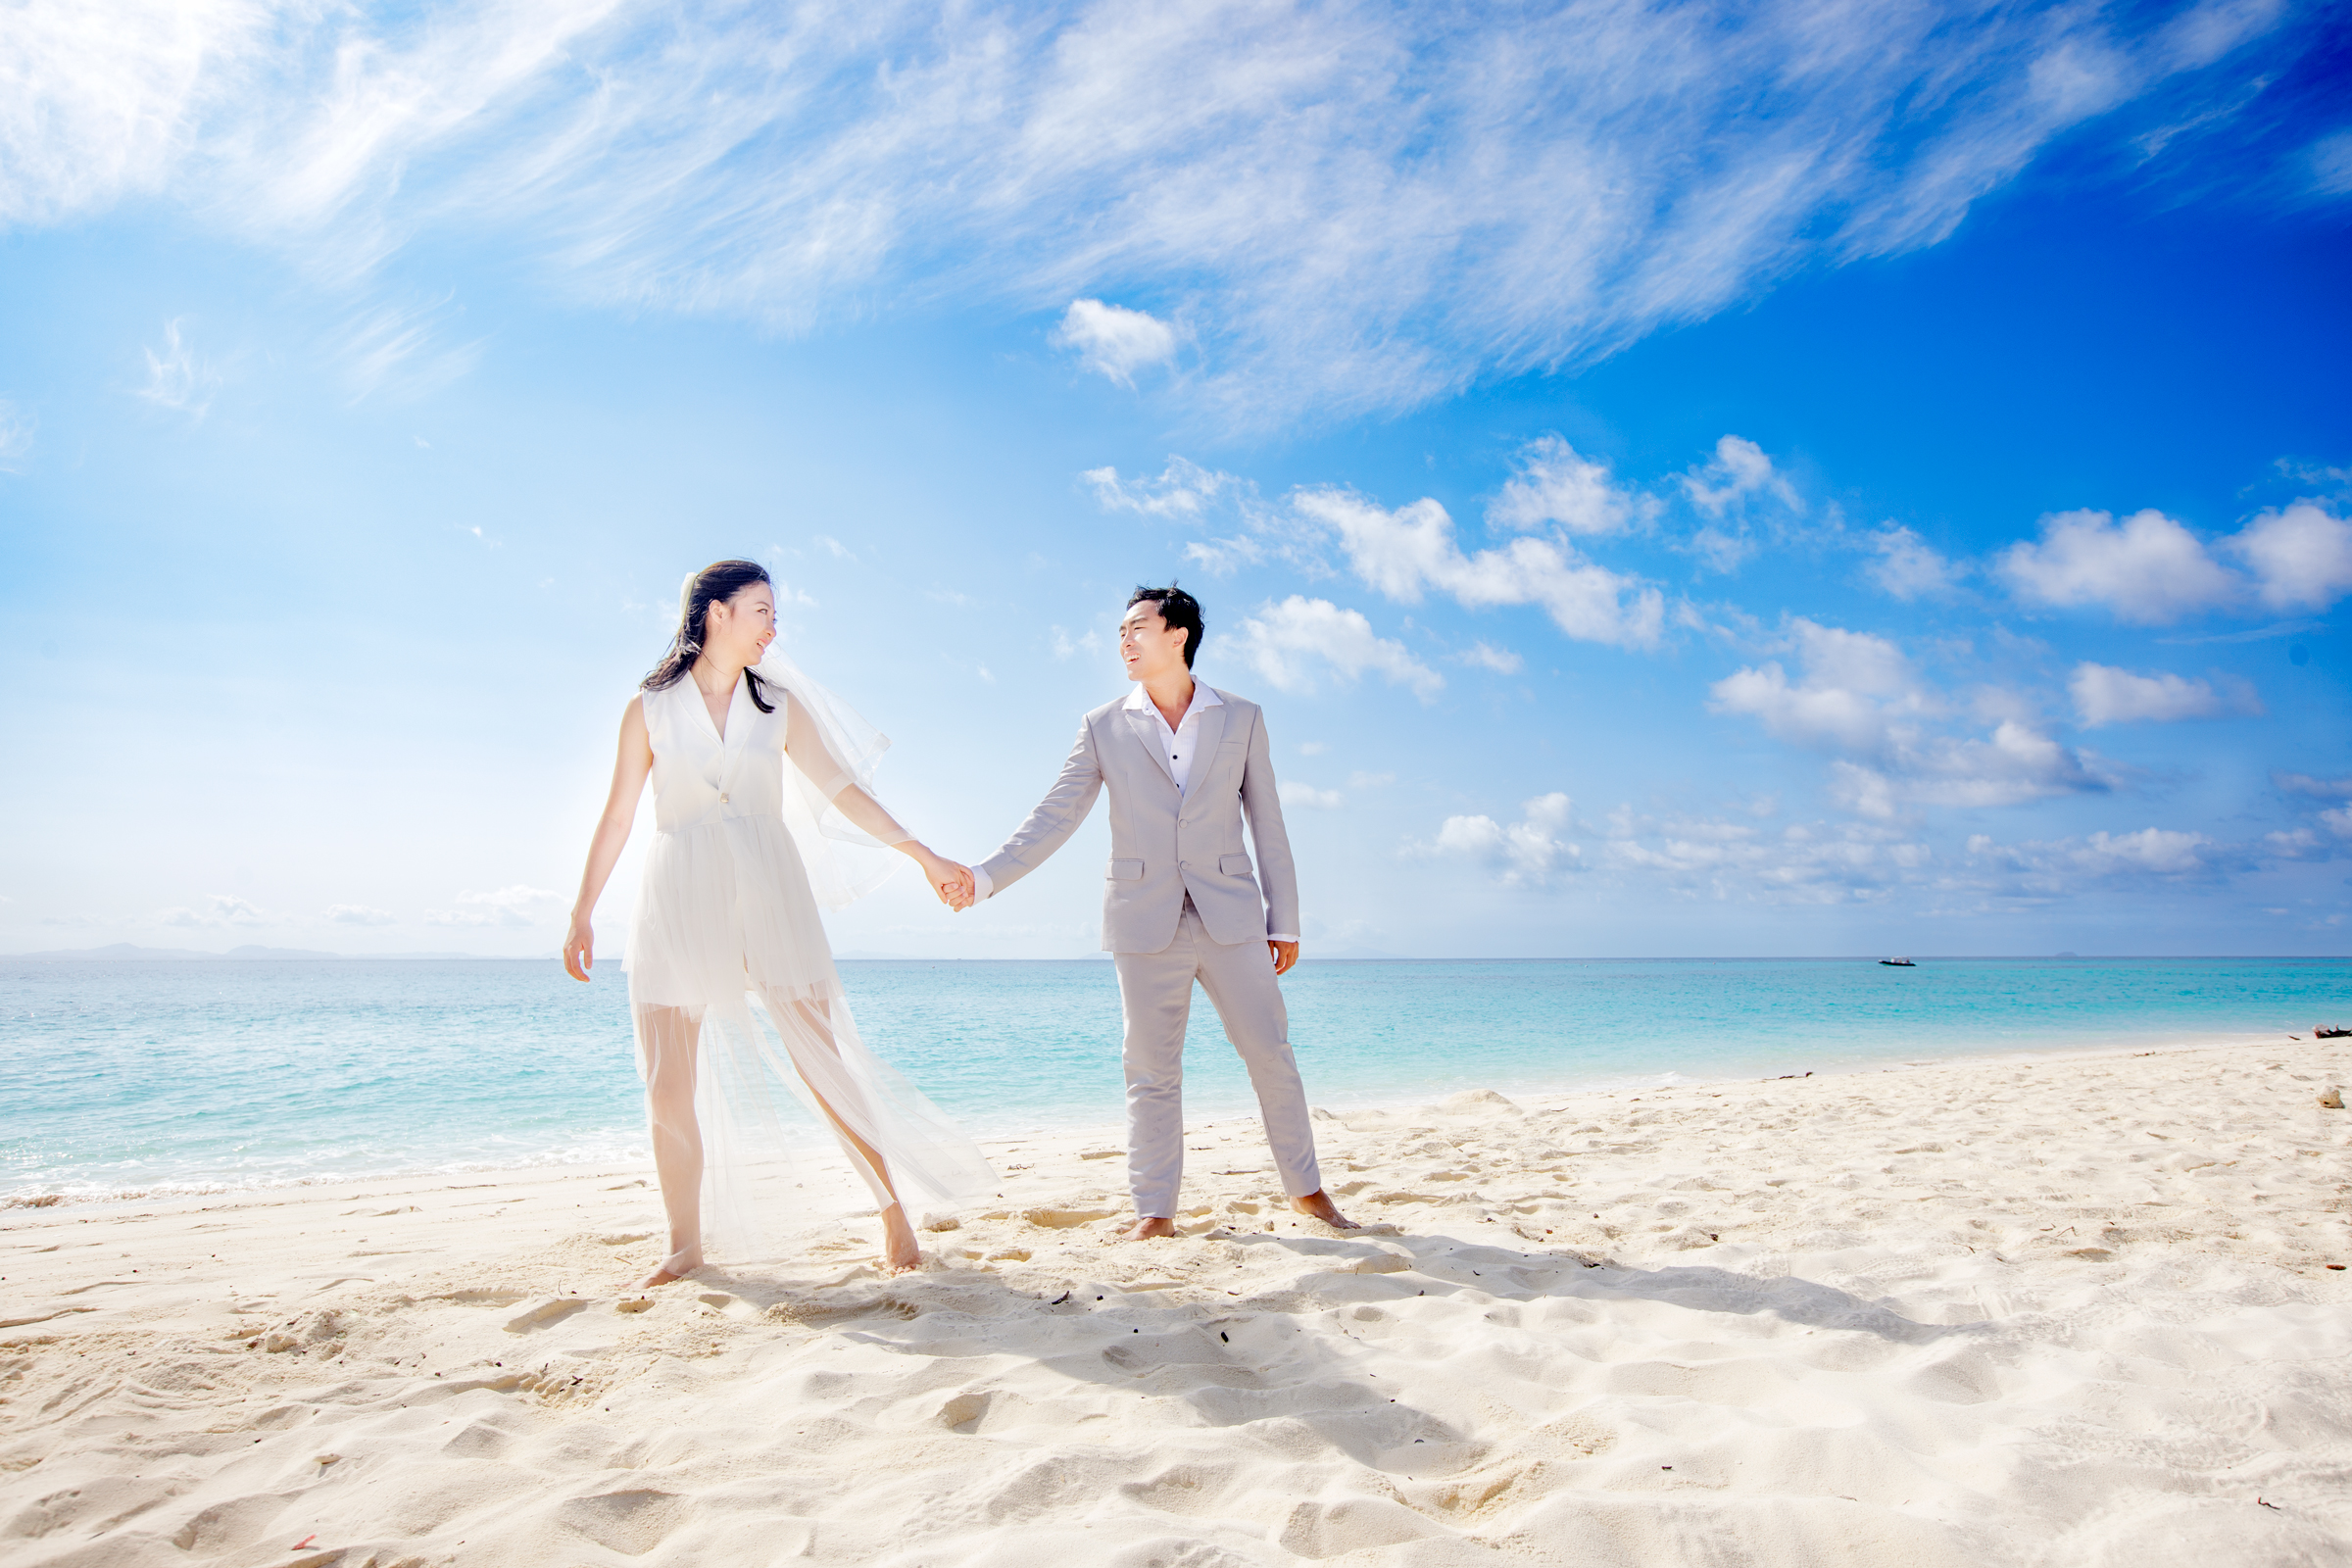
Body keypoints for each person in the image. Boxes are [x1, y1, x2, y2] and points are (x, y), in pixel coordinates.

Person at [564, 560, 992, 1287]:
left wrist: (921, 853)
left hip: (769, 886)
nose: (773, 626)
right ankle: (683, 1244)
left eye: (775, 613)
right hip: (677, 891)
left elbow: (843, 791)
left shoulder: (779, 705)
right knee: (668, 1080)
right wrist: (582, 911)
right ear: (715, 614)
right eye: (761, 610)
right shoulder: (647, 710)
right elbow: (617, 815)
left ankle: (892, 1212)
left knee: (820, 1058)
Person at [949, 586, 1354, 1240]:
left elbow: (1268, 822)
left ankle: (1309, 1194)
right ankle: (1154, 1212)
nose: (1124, 641)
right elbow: (1056, 815)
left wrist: (1286, 921)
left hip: (1233, 915)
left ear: (1178, 636)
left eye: (1137, 628)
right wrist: (986, 876)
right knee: (1150, 1069)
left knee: (1271, 1055)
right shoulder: (1103, 725)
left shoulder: (1242, 717)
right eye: (1119, 631)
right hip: (1143, 919)